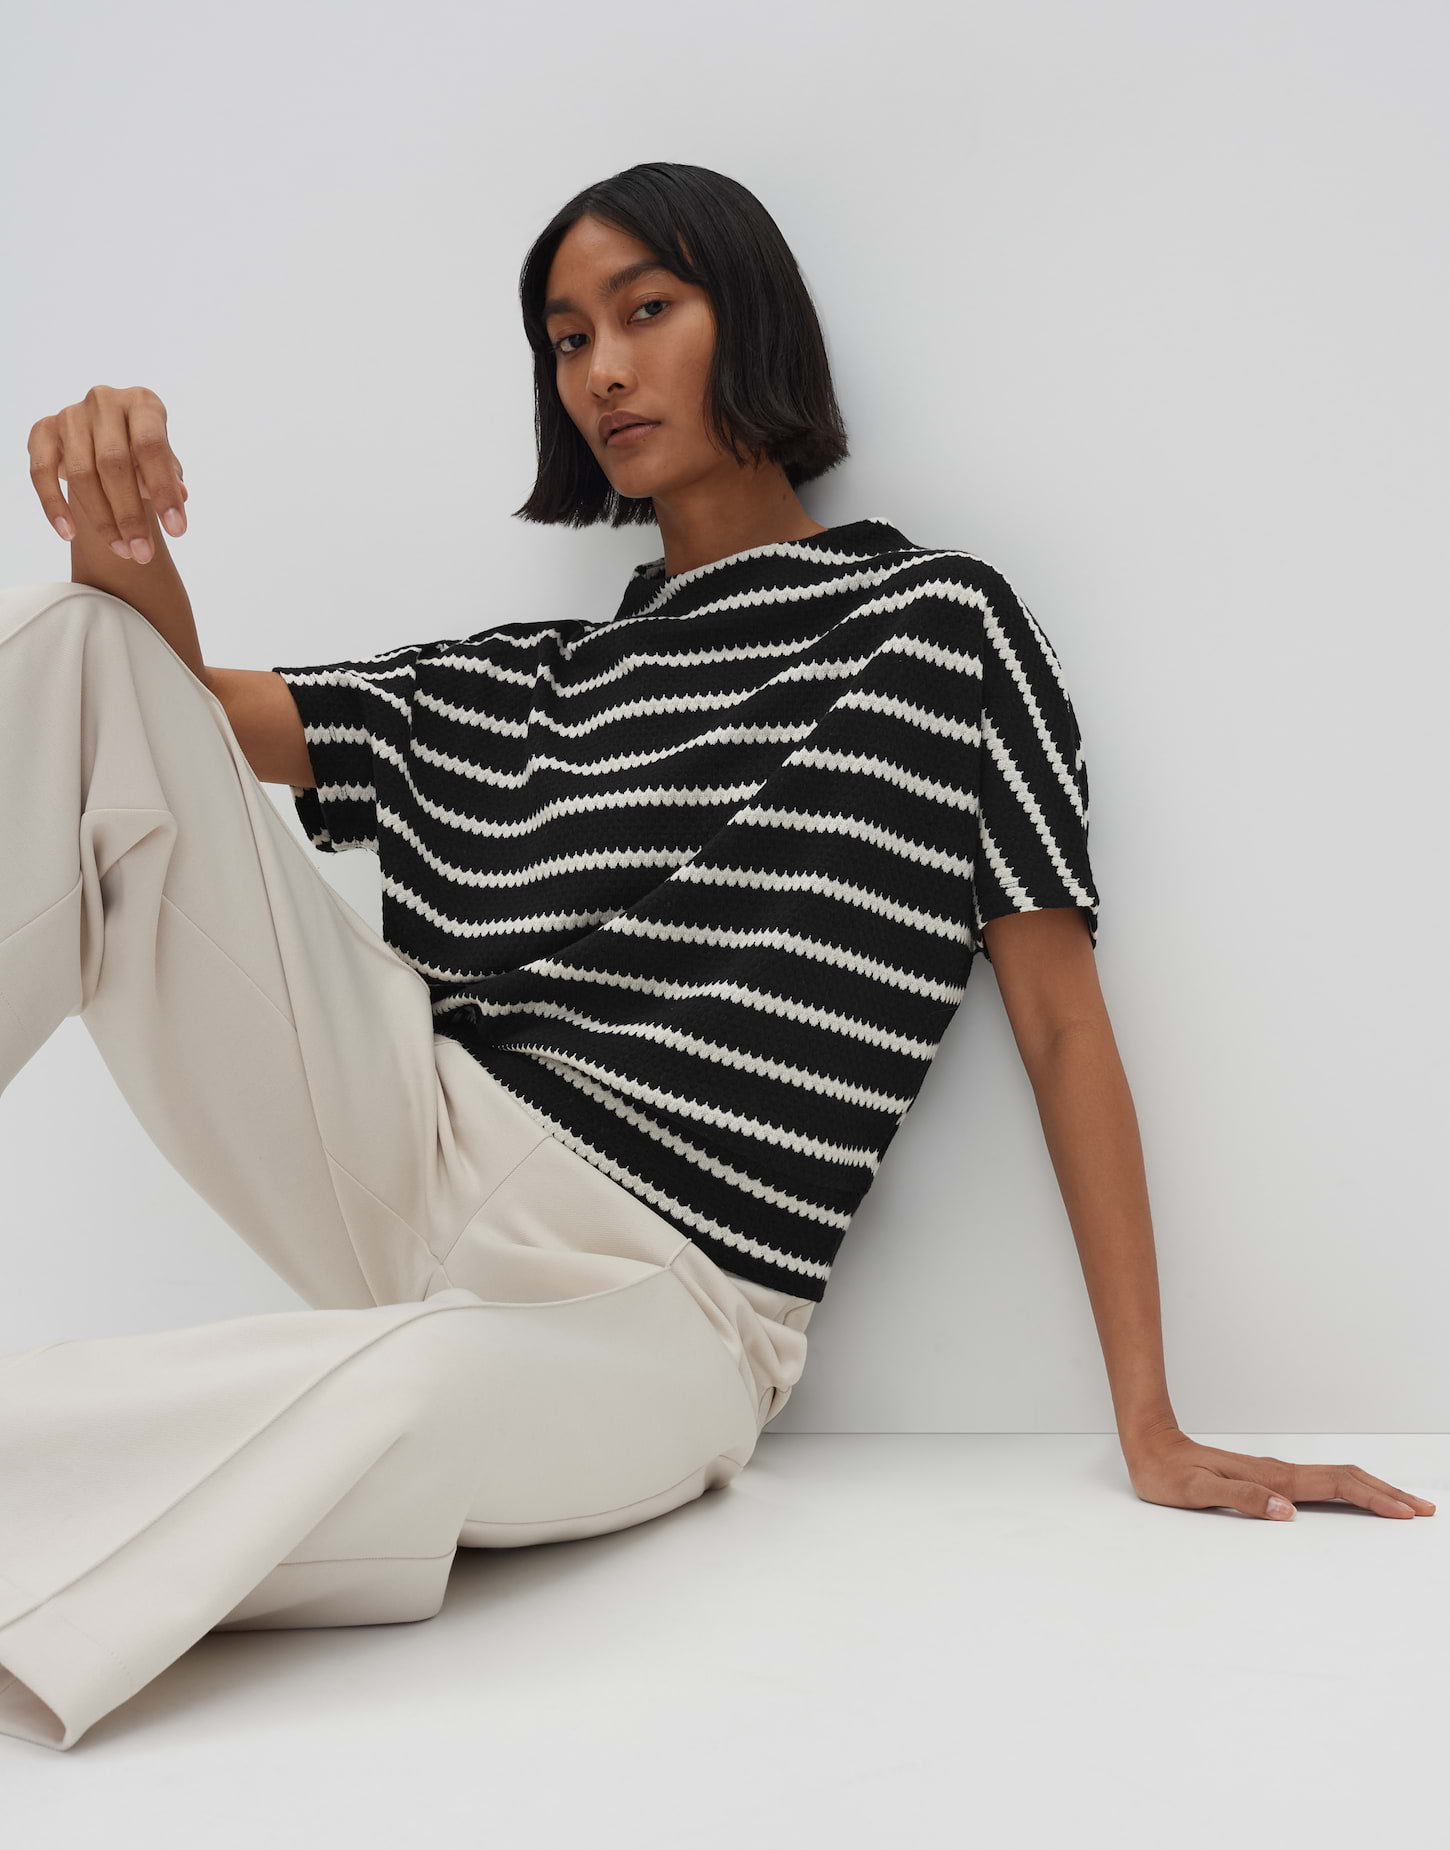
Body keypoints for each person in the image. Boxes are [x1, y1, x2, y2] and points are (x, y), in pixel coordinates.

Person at [1, 162, 1431, 1752]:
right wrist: (113, 518)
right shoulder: (527, 680)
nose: (601, 370)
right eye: (567, 339)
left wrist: (1148, 1419)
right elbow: (150, 712)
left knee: (397, 1403)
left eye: (645, 311)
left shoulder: (937, 628)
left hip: (668, 1300)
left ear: (745, 318)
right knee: (73, 640)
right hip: (403, 1141)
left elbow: (1058, 1025)